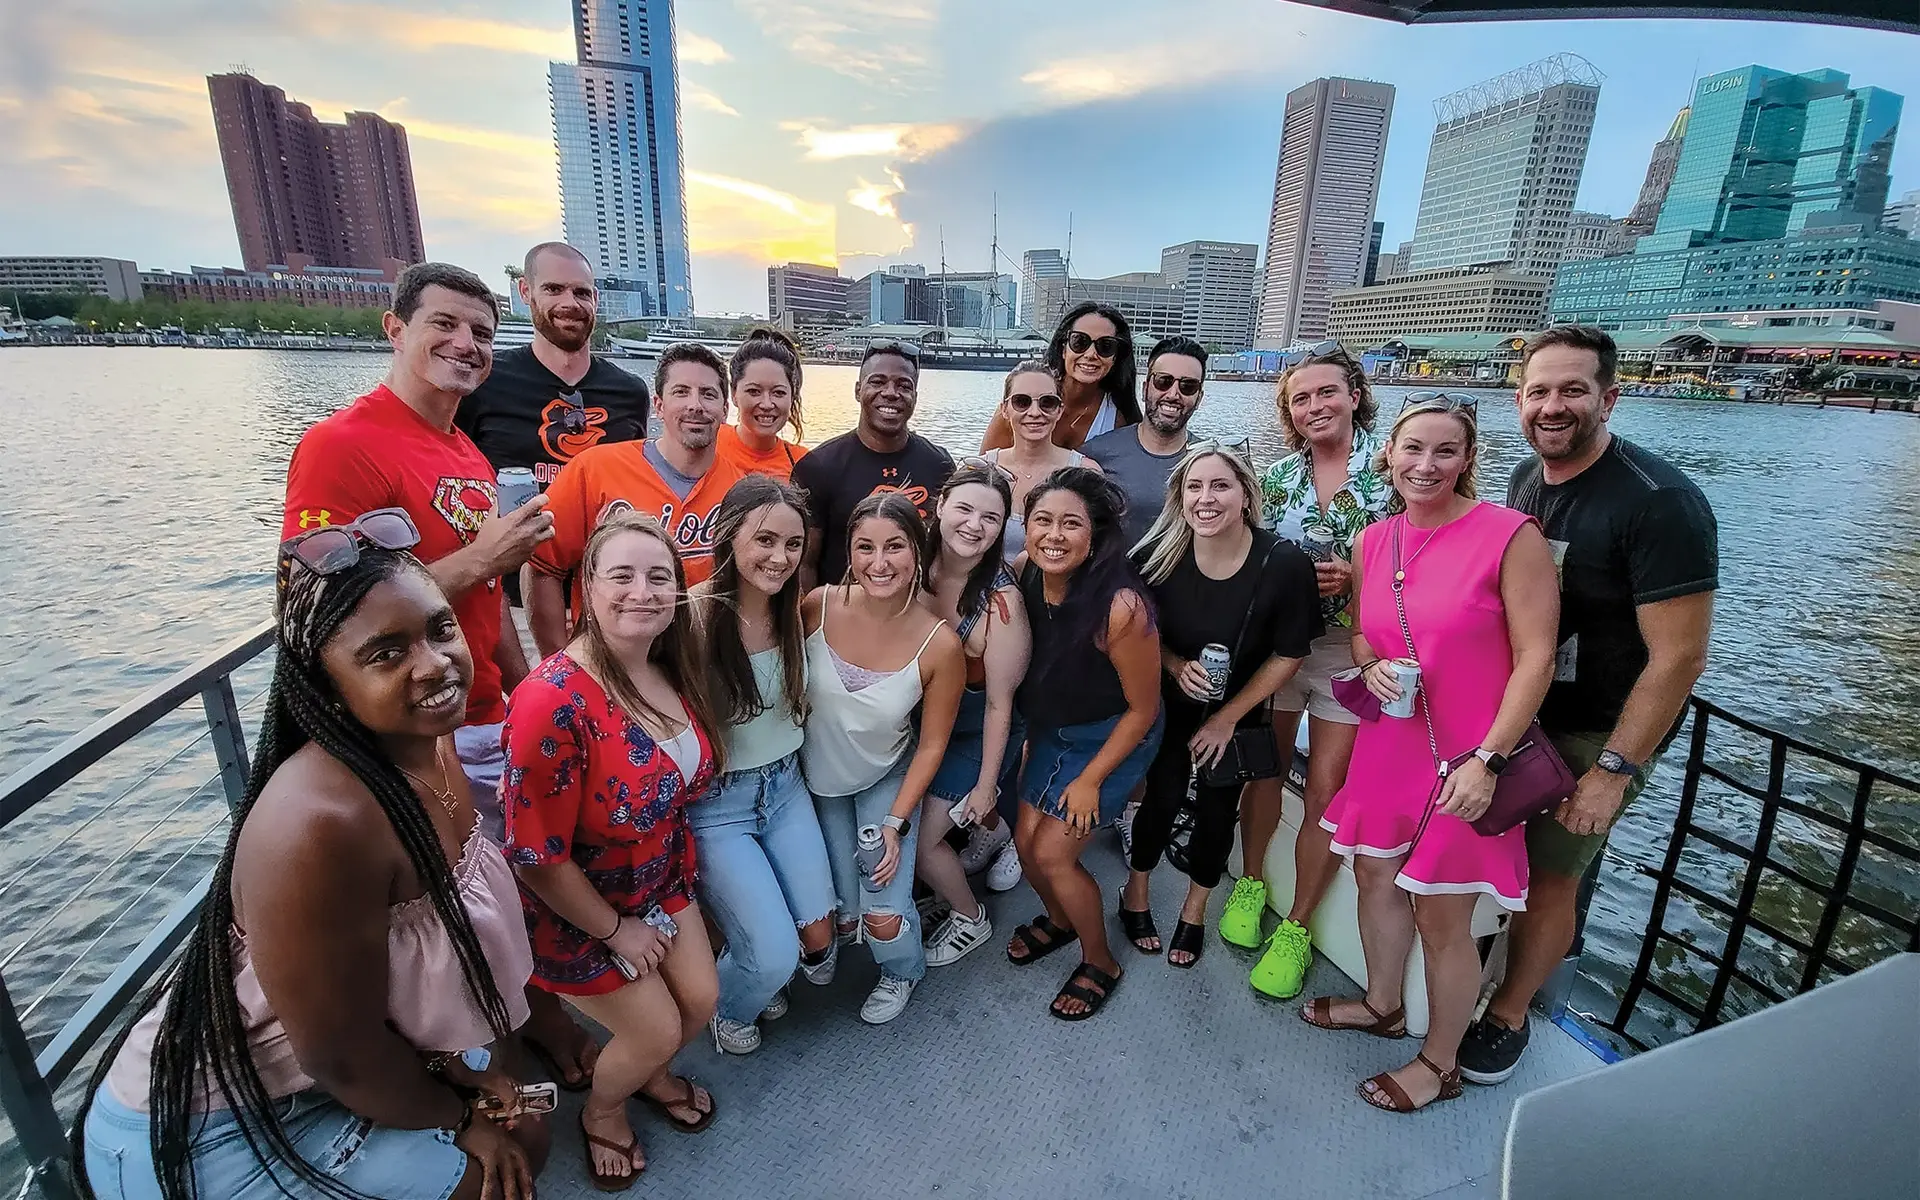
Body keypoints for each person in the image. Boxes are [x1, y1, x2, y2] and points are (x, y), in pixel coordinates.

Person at [81, 519, 548, 1200]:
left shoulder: (428, 743)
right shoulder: (319, 827)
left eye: (439, 630)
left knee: (530, 1134)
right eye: (386, 654)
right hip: (217, 1122)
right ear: (328, 688)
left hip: (330, 1066)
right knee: (493, 1178)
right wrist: (459, 1116)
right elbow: (342, 1057)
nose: (435, 664)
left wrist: (452, 1064)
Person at [279, 261, 595, 1093]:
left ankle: (528, 1023)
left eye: (482, 334)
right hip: (412, 730)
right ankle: (486, 1055)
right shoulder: (341, 446)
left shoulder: (460, 446)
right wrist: (483, 555)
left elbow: (487, 601)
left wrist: (529, 686)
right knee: (447, 906)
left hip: (487, 707)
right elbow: (317, 612)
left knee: (507, 883)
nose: (465, 345)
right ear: (395, 329)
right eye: (444, 325)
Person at [1461, 326, 1717, 1085]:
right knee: (1494, 848)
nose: (1553, 406)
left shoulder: (1661, 502)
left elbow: (1681, 656)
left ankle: (1509, 1015)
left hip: (1596, 731)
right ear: (1519, 401)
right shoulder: (1524, 479)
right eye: (1539, 391)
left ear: (1610, 396)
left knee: (1555, 876)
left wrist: (1614, 770)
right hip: (1523, 710)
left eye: (1573, 390)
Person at [1301, 397, 1559, 1114]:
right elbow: (1363, 638)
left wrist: (1492, 761)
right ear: (1388, 453)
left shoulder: (1512, 535)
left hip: (1469, 758)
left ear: (1467, 460)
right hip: (1392, 741)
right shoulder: (1373, 541)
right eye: (1412, 448)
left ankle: (1440, 1062)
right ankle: (1382, 1002)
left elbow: (1536, 658)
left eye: (1444, 451)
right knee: (1375, 875)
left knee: (1443, 918)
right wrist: (1371, 664)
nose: (1425, 465)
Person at [504, 513, 724, 1189]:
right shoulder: (552, 701)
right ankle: (603, 1112)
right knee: (655, 1028)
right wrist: (616, 931)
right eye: (621, 575)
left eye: (660, 576)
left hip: (660, 881)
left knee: (701, 1000)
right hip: (583, 909)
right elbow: (537, 855)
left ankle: (646, 1076)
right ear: (586, 590)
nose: (643, 591)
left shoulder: (667, 666)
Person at [1121, 447, 1320, 968]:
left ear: (1246, 495)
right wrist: (1171, 663)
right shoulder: (1156, 556)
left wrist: (1229, 718)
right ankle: (1135, 891)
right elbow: (1133, 632)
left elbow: (1290, 651)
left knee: (1217, 810)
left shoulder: (1283, 562)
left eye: (1220, 487)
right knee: (1159, 798)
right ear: (1179, 497)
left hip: (1237, 709)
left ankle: (1194, 909)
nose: (1205, 499)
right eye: (1194, 487)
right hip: (1171, 701)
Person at [1241, 345, 1392, 1000]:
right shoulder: (1277, 477)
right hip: (1282, 646)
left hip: (1350, 651)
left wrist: (1358, 579)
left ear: (1354, 395)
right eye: (1300, 399)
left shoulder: (1394, 470)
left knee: (1326, 784)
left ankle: (1297, 926)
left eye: (1326, 393)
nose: (1314, 407)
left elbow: (1425, 559)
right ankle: (1250, 884)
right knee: (1265, 766)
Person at [686, 476, 839, 1055]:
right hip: (719, 804)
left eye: (793, 544)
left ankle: (750, 962)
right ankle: (728, 1005)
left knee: (819, 936)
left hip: (786, 787)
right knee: (775, 955)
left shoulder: (797, 612)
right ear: (729, 536)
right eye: (765, 540)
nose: (780, 557)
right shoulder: (691, 620)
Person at [801, 493, 965, 1024]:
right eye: (865, 547)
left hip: (886, 778)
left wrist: (897, 822)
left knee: (883, 914)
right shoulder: (816, 605)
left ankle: (902, 971)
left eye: (895, 546)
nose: (879, 562)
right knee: (843, 914)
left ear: (918, 551)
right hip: (818, 782)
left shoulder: (939, 644)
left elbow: (934, 743)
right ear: (848, 553)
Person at [1005, 468, 1163, 1020]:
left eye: (1071, 524)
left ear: (1094, 536)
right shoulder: (1025, 571)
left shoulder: (1121, 608)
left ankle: (1100, 960)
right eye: (1041, 520)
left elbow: (1143, 709)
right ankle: (1060, 918)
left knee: (1054, 852)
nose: (1054, 535)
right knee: (1025, 844)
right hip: (1053, 730)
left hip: (1113, 735)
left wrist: (1091, 778)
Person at [526, 342, 747, 656]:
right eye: (681, 392)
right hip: (609, 661)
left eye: (708, 394)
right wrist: (561, 661)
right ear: (658, 405)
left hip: (704, 664)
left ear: (725, 409)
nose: (695, 405)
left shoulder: (741, 487)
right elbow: (542, 566)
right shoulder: (594, 468)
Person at [914, 464, 1032, 963]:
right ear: (939, 506)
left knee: (922, 845)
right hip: (919, 727)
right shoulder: (907, 567)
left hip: (974, 731)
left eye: (991, 517)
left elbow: (1003, 705)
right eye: (963, 508)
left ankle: (970, 917)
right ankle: (992, 838)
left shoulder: (1001, 602)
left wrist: (987, 787)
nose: (974, 525)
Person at [792, 341, 954, 589]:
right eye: (877, 382)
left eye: (904, 385)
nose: (891, 392)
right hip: (841, 613)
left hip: (913, 612)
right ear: (858, 390)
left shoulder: (939, 465)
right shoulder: (817, 467)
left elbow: (944, 555)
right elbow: (805, 563)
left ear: (915, 397)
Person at [1082, 335, 1208, 551]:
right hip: (1112, 580)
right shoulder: (1096, 454)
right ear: (1145, 388)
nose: (1173, 394)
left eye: (1188, 386)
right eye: (1163, 382)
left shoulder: (1211, 462)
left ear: (1199, 397)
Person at [974, 361, 1099, 558]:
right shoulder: (980, 469)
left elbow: (1102, 549)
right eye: (1022, 402)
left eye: (1047, 402)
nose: (1034, 412)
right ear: (1005, 409)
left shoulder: (1085, 472)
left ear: (1059, 410)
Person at [981, 302, 1140, 452]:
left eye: (1105, 346)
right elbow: (980, 471)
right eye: (1079, 342)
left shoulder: (1118, 420)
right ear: (1064, 349)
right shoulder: (1021, 404)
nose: (1091, 354)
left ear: (1116, 357)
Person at [715, 329, 809, 480]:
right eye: (754, 391)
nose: (767, 404)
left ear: (792, 397)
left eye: (778, 393)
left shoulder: (803, 465)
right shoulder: (709, 443)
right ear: (734, 393)